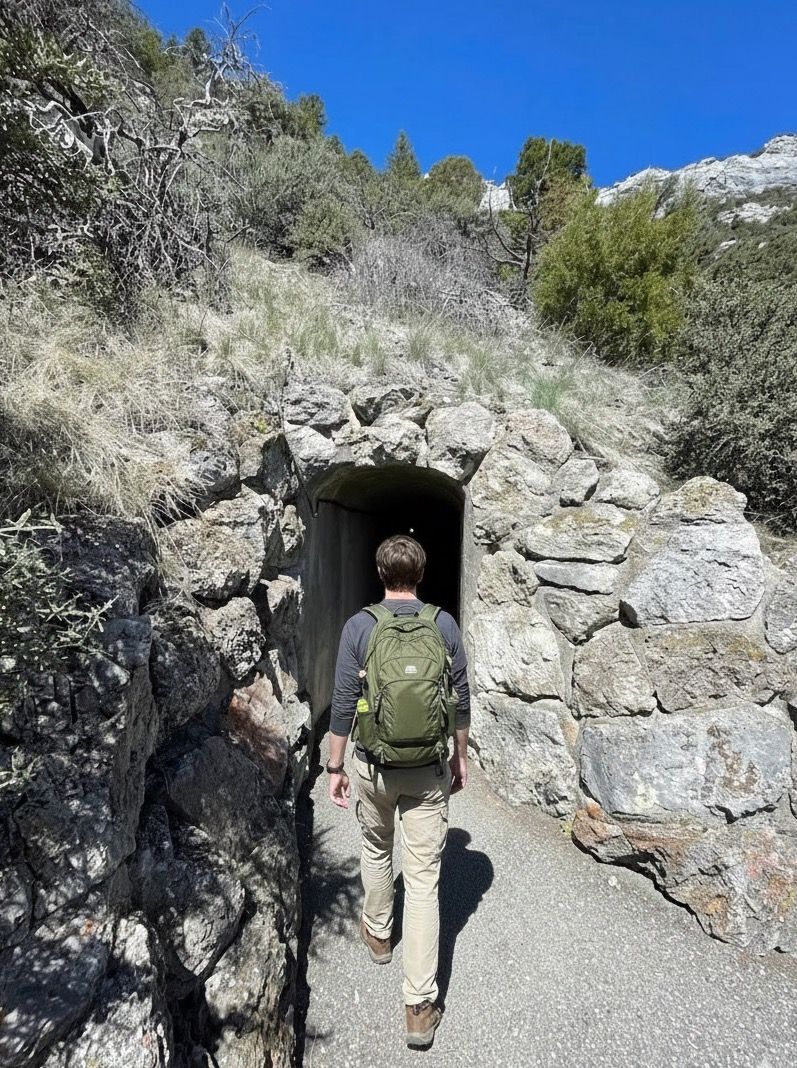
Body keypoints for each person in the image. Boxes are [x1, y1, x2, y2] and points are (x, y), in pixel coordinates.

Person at [326, 533, 471, 1049]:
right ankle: (418, 1005)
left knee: (374, 847)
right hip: (429, 770)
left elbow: (344, 699)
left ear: (381, 573)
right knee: (426, 883)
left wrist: (335, 764)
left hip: (373, 766)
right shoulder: (444, 625)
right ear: (421, 574)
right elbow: (460, 697)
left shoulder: (360, 626)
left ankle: (379, 932)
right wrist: (460, 755)